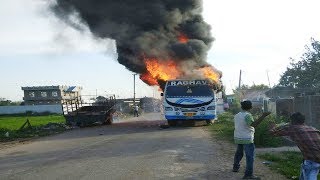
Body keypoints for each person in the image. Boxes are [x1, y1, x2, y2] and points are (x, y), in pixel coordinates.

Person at [270, 112, 320, 180]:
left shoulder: (292, 128)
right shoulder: (313, 129)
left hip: (312, 159)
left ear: (292, 121)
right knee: (306, 169)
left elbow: (273, 133)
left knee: (310, 174)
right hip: (314, 158)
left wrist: (273, 127)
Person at [233, 100, 271, 179]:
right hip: (247, 138)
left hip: (238, 137)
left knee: (239, 153)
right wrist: (263, 116)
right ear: (250, 107)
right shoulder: (248, 115)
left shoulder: (237, 115)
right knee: (250, 156)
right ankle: (248, 174)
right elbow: (254, 125)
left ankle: (235, 167)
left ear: (242, 107)